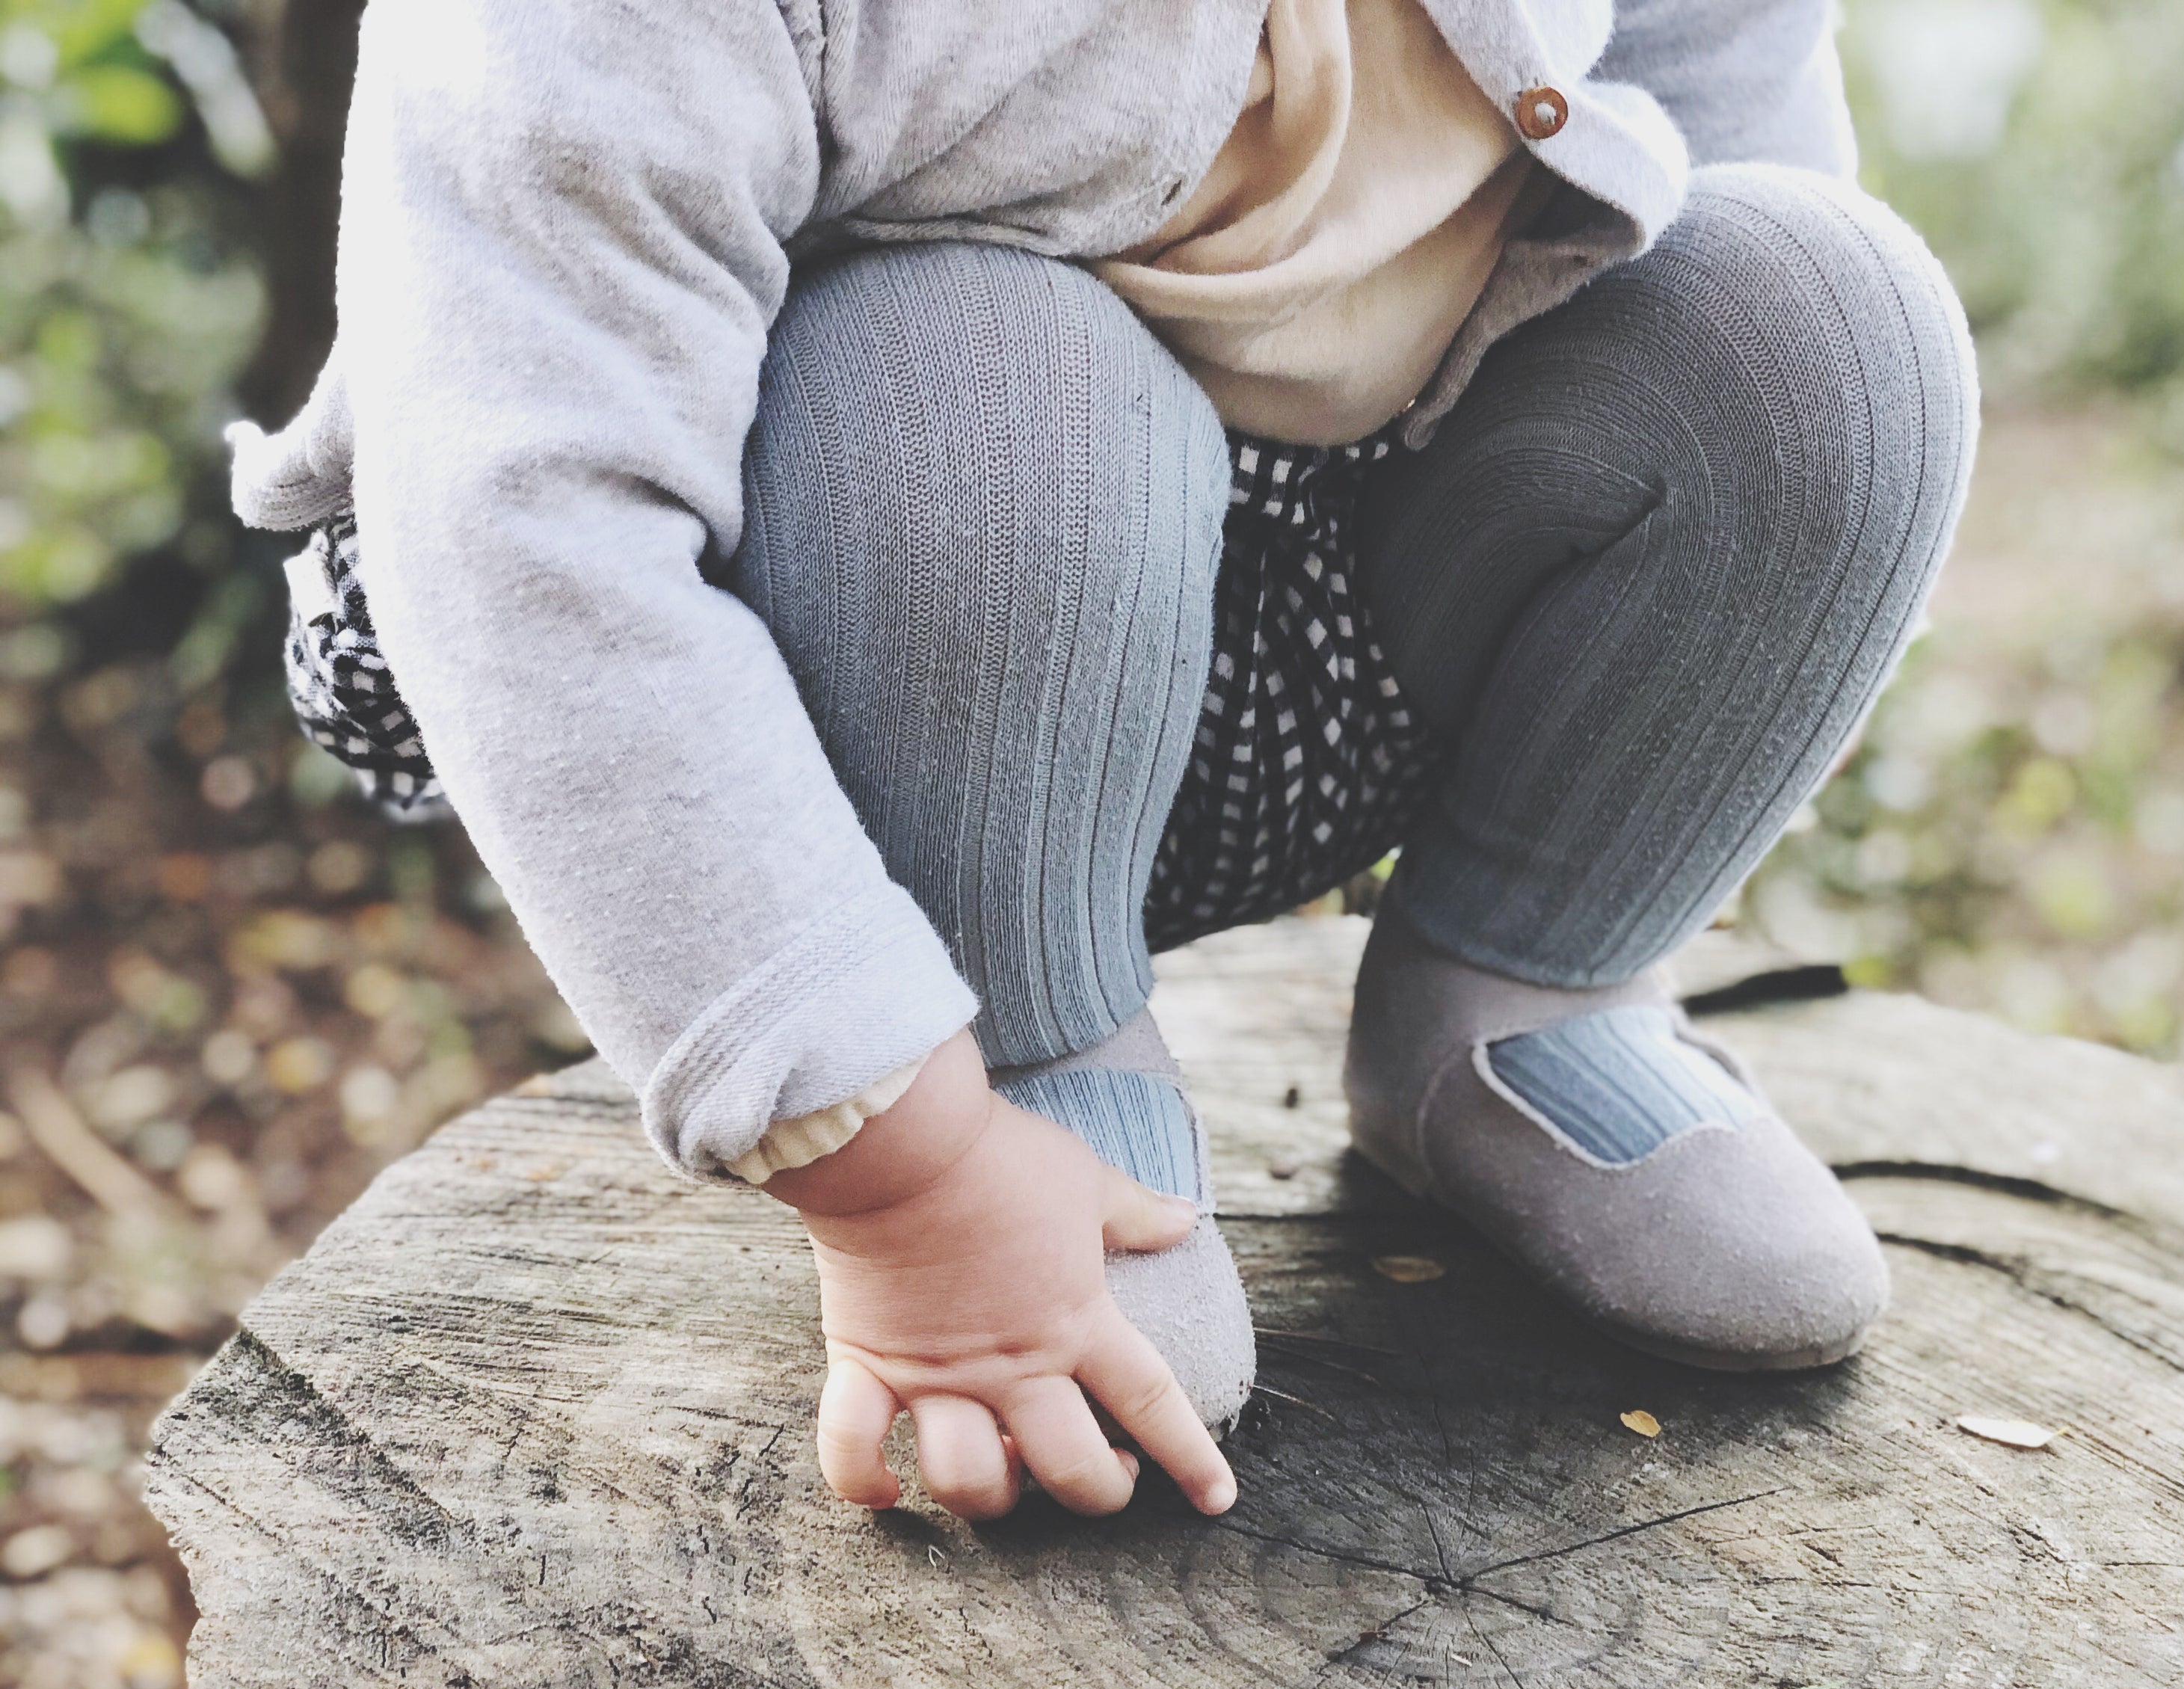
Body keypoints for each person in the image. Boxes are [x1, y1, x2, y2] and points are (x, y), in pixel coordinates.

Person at [236, 0, 1978, 1529]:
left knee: (1824, 324)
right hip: (895, 664)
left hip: (1367, 586)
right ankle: (1034, 1055)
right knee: (980, 391)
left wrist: (1692, 642)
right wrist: (902, 1172)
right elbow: (526, 520)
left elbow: (1712, 164)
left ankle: (1526, 998)